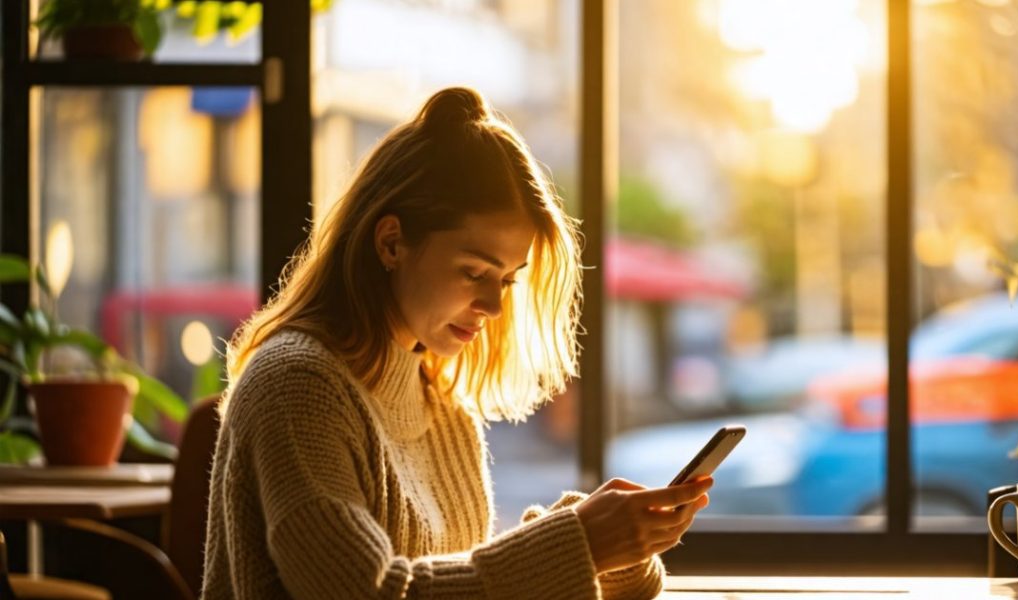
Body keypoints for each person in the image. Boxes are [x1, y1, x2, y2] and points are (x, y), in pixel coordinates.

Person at [201, 87, 713, 600]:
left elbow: (457, 584)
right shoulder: (297, 386)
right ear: (391, 242)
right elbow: (372, 593)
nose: (494, 306)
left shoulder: (442, 404)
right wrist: (581, 545)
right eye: (474, 272)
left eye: (508, 279)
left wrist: (610, 555)